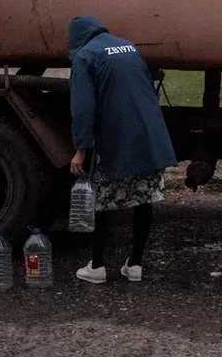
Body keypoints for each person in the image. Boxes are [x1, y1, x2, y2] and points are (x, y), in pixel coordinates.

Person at [68, 15, 177, 284]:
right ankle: (135, 264)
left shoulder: (84, 56)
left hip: (117, 137)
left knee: (102, 200)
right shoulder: (128, 46)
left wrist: (81, 149)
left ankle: (97, 266)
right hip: (151, 134)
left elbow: (83, 108)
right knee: (144, 197)